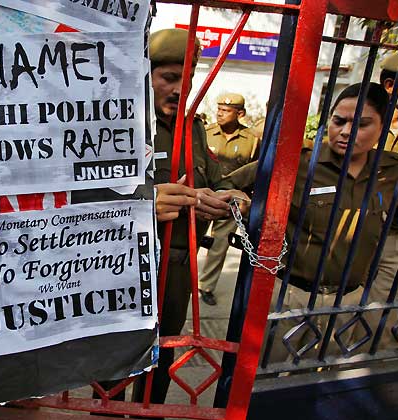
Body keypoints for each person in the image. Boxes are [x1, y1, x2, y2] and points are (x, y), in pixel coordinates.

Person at [225, 83, 398, 361]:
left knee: (315, 383)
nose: (345, 131)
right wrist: (239, 201)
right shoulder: (298, 161)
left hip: (346, 304)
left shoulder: (390, 172)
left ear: (383, 126)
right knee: (264, 378)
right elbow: (227, 186)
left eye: (361, 124)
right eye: (338, 121)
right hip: (290, 298)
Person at [131, 28, 242, 407]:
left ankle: (150, 411)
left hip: (178, 269)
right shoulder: (123, 124)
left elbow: (211, 180)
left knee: (162, 355)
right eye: (168, 78)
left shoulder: (192, 128)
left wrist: (224, 197)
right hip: (128, 264)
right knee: (117, 353)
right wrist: (146, 202)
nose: (180, 90)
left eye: (188, 79)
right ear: (146, 75)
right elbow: (86, 194)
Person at [198, 94, 259, 305]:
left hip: (230, 201)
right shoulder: (205, 133)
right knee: (193, 239)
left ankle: (206, 286)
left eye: (226, 110)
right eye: (219, 108)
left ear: (240, 114)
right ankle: (184, 280)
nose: (220, 113)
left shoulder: (251, 139)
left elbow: (255, 170)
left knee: (219, 244)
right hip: (203, 197)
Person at [366, 54, 398, 349]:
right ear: (390, 85)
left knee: (382, 313)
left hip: (394, 237)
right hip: (360, 228)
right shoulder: (366, 123)